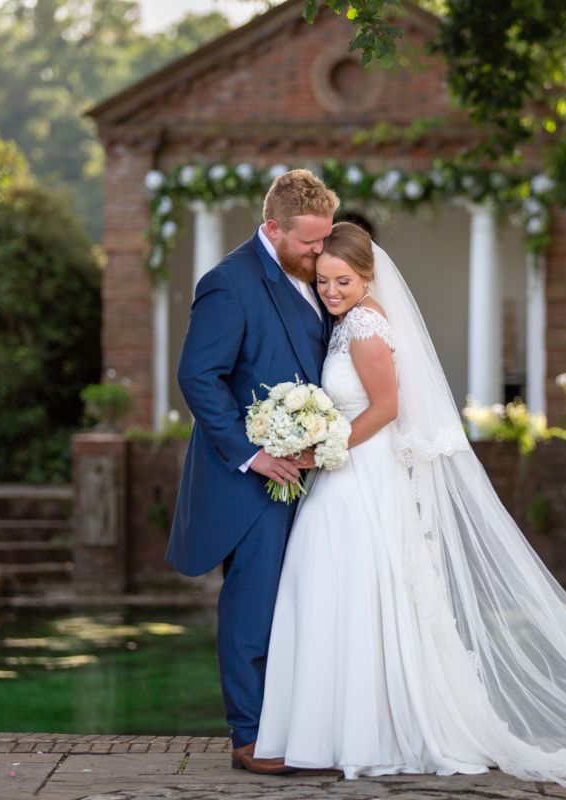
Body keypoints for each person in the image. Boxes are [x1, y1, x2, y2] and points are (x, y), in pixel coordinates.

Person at [254, 222, 566, 794]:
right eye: (324, 280)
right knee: (345, 594)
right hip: (351, 475)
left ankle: (364, 734)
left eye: (342, 280)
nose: (330, 290)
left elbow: (384, 408)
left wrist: (321, 447)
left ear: (368, 274)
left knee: (350, 592)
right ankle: (347, 732)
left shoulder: (366, 325)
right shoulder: (351, 320)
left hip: (359, 475)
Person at [168, 169, 338, 775]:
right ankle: (250, 738)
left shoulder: (309, 280)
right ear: (272, 227)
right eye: (309, 242)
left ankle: (295, 726)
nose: (319, 252)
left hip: (306, 474)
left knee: (297, 603)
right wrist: (253, 453)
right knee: (253, 606)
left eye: (324, 240)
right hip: (252, 481)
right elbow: (198, 377)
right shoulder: (228, 284)